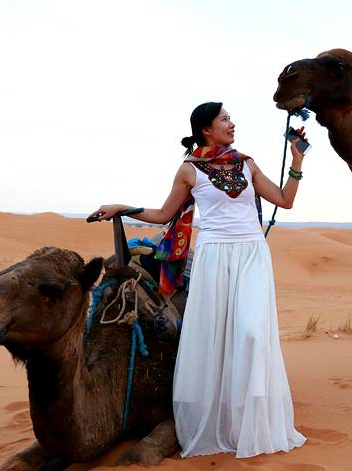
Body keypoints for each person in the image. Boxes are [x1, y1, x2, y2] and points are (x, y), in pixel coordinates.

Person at [91, 101, 307, 458]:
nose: (232, 124)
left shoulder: (247, 164)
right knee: (215, 335)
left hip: (251, 254)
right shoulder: (189, 170)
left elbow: (284, 201)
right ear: (207, 129)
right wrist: (123, 208)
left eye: (230, 119)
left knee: (252, 332)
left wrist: (297, 161)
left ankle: (254, 422)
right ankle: (220, 418)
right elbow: (164, 214)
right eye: (225, 119)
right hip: (213, 256)